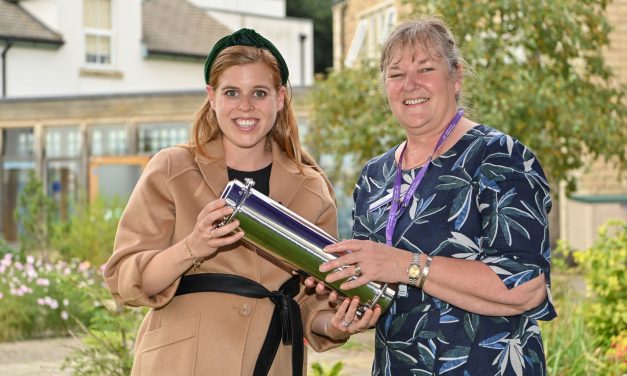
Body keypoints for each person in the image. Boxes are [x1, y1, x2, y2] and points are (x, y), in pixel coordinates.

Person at [103, 28, 361, 376]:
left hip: (270, 362)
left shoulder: (312, 189)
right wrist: (193, 246)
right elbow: (125, 280)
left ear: (280, 98)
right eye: (231, 92)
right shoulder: (172, 169)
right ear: (211, 97)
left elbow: (312, 301)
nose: (245, 106)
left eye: (259, 92)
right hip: (180, 363)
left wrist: (336, 326)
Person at [307, 17, 557, 375]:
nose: (410, 85)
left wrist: (405, 265)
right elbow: (381, 288)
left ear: (456, 77)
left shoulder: (500, 157)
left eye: (425, 69)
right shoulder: (375, 176)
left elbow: (524, 288)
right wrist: (343, 297)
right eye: (395, 75)